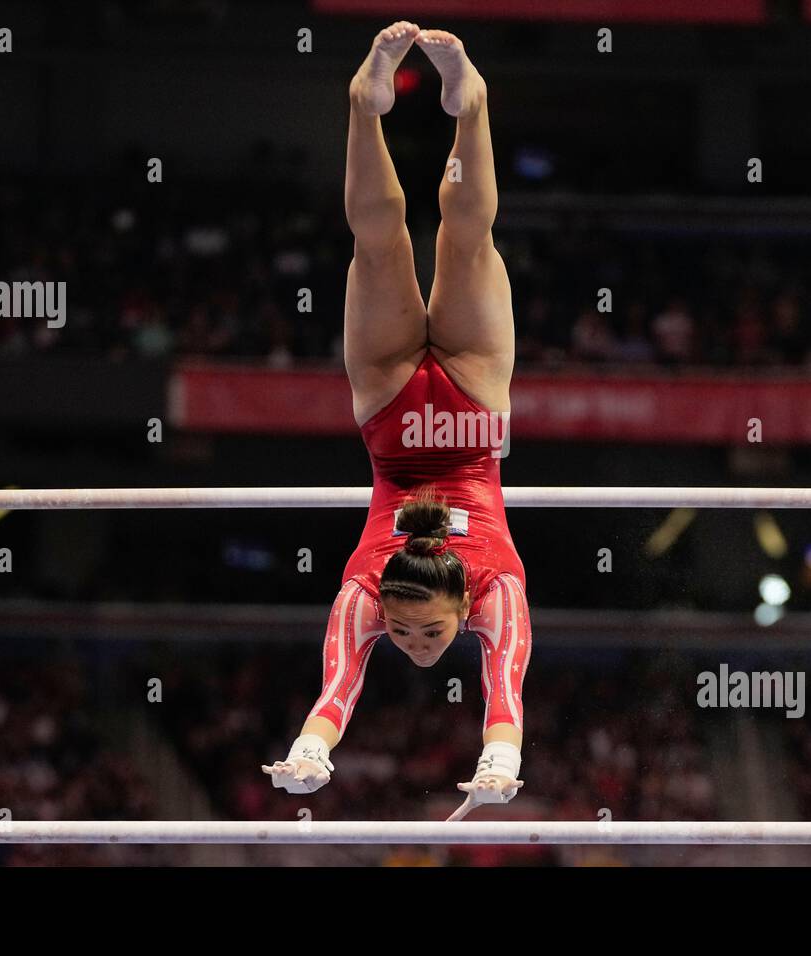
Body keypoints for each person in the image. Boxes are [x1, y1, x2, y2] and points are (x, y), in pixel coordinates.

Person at [263, 23, 531, 813]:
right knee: (467, 240)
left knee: (378, 251)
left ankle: (365, 103)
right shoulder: (496, 590)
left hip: (389, 411)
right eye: (429, 636)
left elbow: (338, 682)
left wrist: (311, 745)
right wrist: (497, 759)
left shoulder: (365, 590)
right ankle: (470, 104)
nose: (415, 646)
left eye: (409, 635)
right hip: (474, 401)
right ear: (461, 610)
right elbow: (506, 687)